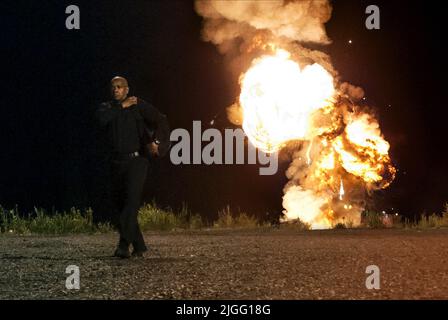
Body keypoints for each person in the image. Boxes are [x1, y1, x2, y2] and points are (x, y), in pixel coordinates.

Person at [95, 76, 170, 258]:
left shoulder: (138, 105)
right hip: (115, 163)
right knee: (120, 207)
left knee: (131, 203)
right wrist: (122, 107)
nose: (116, 90)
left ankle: (123, 246)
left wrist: (157, 142)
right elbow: (102, 120)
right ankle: (139, 246)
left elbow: (161, 120)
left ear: (127, 89)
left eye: (120, 87)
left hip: (136, 162)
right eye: (113, 87)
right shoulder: (106, 108)